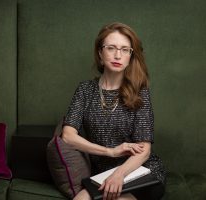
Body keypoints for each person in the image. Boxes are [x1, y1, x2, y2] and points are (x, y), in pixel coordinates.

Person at [61, 22, 166, 200]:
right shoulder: (85, 90)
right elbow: (68, 136)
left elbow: (144, 150)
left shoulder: (139, 91)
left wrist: (119, 174)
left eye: (125, 49)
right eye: (111, 48)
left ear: (130, 56)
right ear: (100, 53)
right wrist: (111, 151)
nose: (118, 55)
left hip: (138, 172)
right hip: (102, 173)